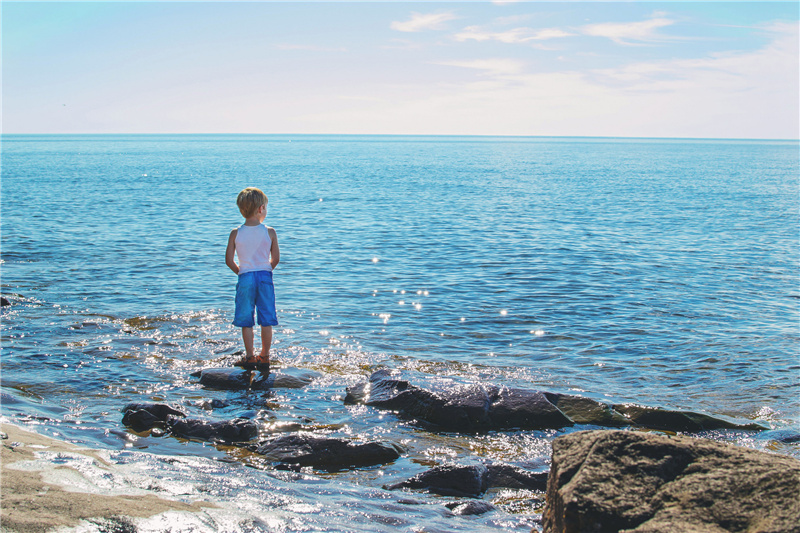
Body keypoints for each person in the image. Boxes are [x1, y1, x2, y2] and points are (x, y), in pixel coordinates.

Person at [225, 187, 280, 371]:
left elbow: (228, 260)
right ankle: (264, 356)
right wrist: (265, 270)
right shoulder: (270, 231)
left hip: (245, 277)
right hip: (264, 276)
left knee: (246, 318)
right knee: (266, 317)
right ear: (260, 209)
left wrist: (241, 271)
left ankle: (250, 357)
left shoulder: (235, 233)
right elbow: (276, 259)